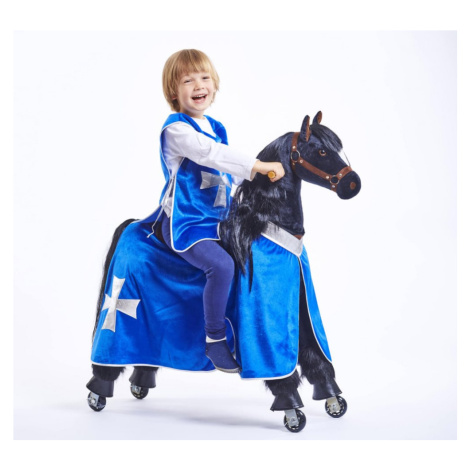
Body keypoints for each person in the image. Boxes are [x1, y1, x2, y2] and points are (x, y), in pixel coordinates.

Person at [157, 49, 284, 373]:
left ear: (214, 84)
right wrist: (258, 166)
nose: (198, 85)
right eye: (188, 80)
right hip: (187, 223)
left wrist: (260, 182)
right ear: (174, 91)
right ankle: (215, 339)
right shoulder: (177, 130)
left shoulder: (216, 127)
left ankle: (253, 329)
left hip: (218, 220)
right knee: (222, 265)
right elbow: (210, 154)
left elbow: (227, 173)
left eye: (204, 78)